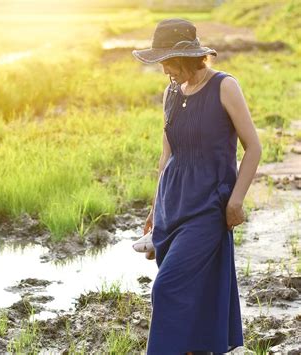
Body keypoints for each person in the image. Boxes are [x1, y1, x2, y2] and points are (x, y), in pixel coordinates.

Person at [132, 18, 262, 354]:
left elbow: (254, 147)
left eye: (169, 63)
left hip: (208, 208)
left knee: (166, 287)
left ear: (188, 57)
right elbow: (166, 157)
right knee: (193, 294)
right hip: (171, 206)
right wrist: (153, 210)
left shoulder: (224, 86)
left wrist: (235, 202)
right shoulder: (171, 93)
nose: (165, 71)